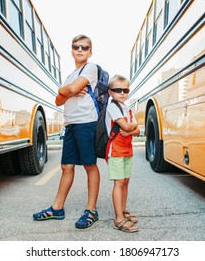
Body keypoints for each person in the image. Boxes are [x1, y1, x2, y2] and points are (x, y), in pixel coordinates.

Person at [33, 35, 100, 229]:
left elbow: (70, 90)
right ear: (71, 50)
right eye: (76, 47)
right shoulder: (71, 75)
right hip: (70, 124)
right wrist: (67, 90)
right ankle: (57, 208)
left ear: (90, 52)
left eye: (84, 47)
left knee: (89, 165)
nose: (80, 50)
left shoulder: (91, 68)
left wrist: (66, 90)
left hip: (86, 122)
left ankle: (91, 211)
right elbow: (58, 100)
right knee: (66, 167)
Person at [105, 75, 140, 233]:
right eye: (117, 90)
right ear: (110, 92)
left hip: (128, 150)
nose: (122, 93)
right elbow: (127, 127)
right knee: (119, 183)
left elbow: (137, 131)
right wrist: (132, 127)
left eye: (125, 90)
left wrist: (131, 128)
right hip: (116, 151)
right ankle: (118, 219)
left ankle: (123, 211)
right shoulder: (112, 107)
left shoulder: (128, 108)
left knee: (125, 181)